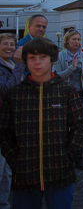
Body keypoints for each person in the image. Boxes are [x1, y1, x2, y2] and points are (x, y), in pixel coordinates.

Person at [0, 38, 83, 209]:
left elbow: (80, 126)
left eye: (43, 57)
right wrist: (16, 160)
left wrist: (68, 156)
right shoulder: (15, 94)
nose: (37, 62)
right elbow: (4, 132)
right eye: (32, 58)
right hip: (24, 176)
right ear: (25, 61)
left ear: (52, 60)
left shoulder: (65, 91)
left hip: (59, 174)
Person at [52, 30, 83, 170]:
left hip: (81, 94)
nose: (77, 42)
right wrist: (71, 68)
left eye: (78, 39)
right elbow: (57, 76)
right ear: (67, 41)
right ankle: (65, 156)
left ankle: (79, 157)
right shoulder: (60, 56)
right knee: (64, 126)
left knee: (80, 126)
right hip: (64, 94)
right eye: (74, 39)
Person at [0, 33, 24, 209]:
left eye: (11, 44)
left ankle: (4, 202)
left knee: (7, 171)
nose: (9, 47)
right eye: (5, 44)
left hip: (10, 121)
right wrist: (20, 65)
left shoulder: (10, 64)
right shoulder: (9, 66)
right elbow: (8, 89)